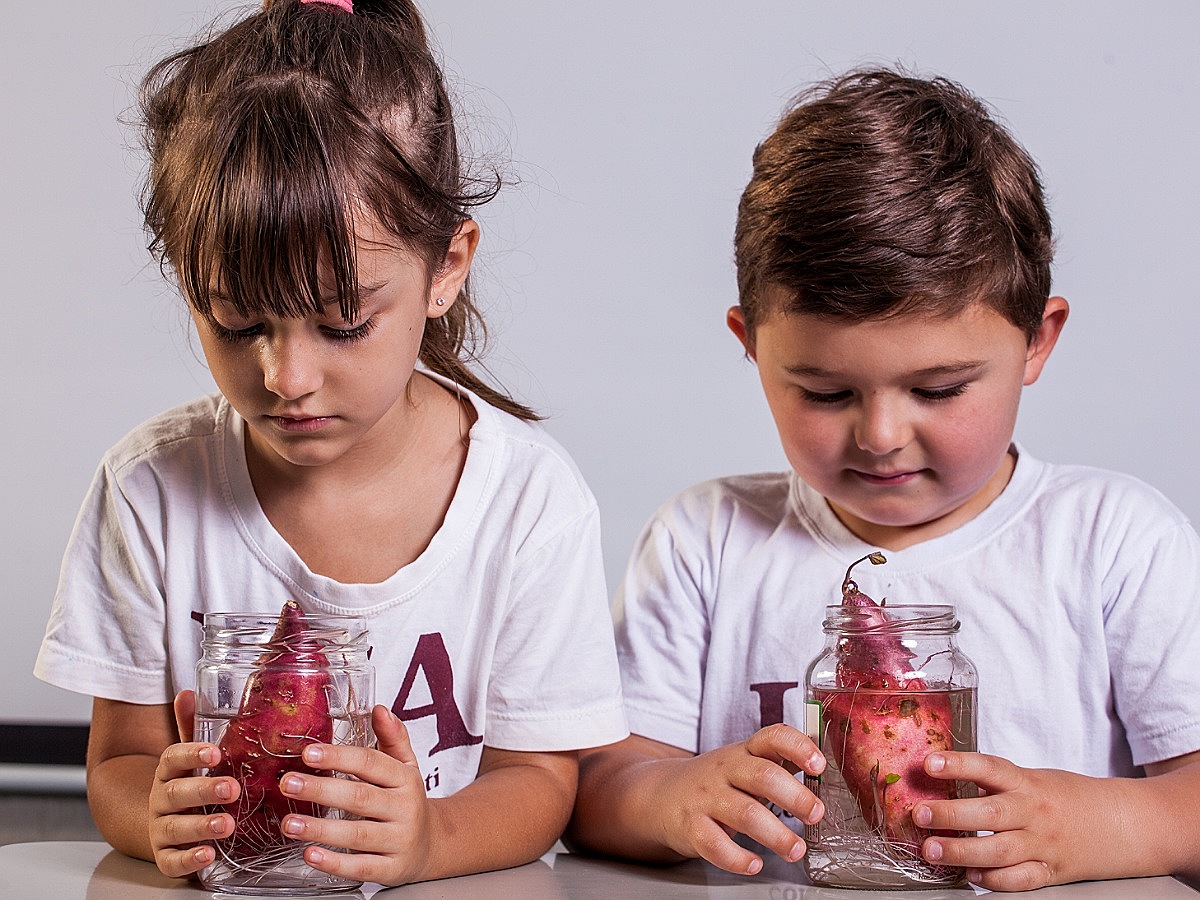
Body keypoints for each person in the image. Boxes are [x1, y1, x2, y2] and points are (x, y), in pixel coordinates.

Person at [34, 0, 627, 887]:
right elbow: (120, 763)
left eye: (343, 323)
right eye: (237, 323)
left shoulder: (528, 500)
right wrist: (151, 810)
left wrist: (428, 840)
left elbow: (539, 782)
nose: (286, 376)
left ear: (447, 268)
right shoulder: (148, 487)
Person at [566, 68, 1200, 892]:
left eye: (938, 389)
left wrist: (1104, 824)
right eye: (826, 392)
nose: (882, 436)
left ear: (1037, 342)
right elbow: (593, 791)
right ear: (751, 345)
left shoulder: (1114, 541)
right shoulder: (706, 541)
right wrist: (666, 797)